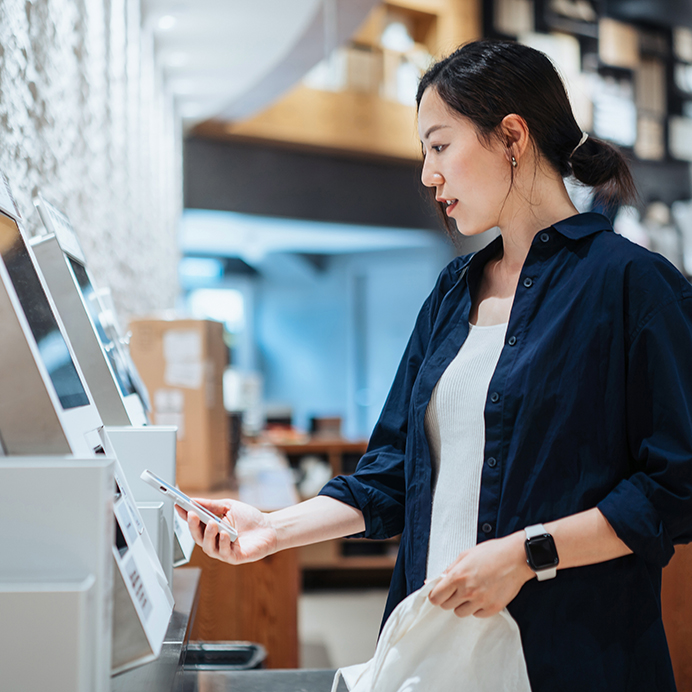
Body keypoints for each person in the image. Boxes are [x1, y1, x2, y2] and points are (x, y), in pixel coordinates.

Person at [181, 40, 692, 691]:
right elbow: (391, 475)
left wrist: (526, 554)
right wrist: (272, 529)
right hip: (433, 658)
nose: (428, 174)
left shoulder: (635, 286)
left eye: (440, 145)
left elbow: (674, 490)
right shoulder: (454, 292)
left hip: (570, 660)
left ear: (512, 136)